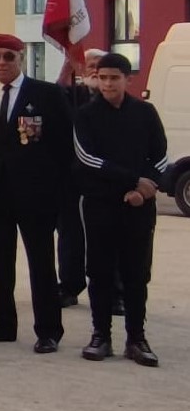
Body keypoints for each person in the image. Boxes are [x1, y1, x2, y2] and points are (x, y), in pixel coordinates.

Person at [0, 33, 73, 353]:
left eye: (8, 57)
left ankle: (48, 330)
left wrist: (58, 192)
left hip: (36, 196)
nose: (1, 63)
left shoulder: (47, 95)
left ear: (21, 58)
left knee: (41, 263)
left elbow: (63, 147)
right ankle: (2, 323)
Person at [74, 52, 168, 366]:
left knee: (136, 273)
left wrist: (147, 187)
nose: (109, 83)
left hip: (140, 206)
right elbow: (88, 158)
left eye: (115, 78)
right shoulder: (86, 115)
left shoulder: (145, 112)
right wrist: (131, 179)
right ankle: (101, 336)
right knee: (99, 272)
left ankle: (136, 338)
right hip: (101, 204)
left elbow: (161, 156)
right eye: (103, 78)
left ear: (128, 80)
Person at [56, 47, 104, 308]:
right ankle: (69, 286)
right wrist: (67, 66)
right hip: (71, 179)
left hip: (105, 182)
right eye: (90, 63)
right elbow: (53, 97)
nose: (95, 69)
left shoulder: (117, 100)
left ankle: (114, 290)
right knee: (69, 236)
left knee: (108, 237)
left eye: (100, 63)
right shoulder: (72, 94)